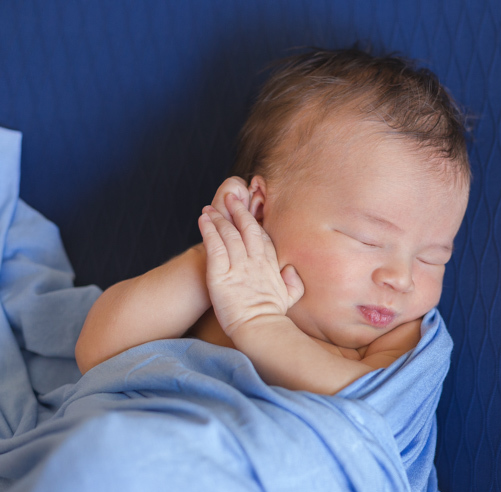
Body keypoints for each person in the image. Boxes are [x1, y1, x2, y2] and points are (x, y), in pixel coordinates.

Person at [75, 48, 470, 395]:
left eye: (432, 259)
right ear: (259, 211)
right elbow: (98, 353)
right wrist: (216, 254)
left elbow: (369, 408)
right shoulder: (216, 287)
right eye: (368, 239)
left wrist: (260, 323)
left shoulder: (396, 338)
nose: (401, 278)